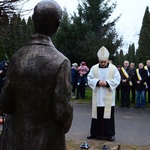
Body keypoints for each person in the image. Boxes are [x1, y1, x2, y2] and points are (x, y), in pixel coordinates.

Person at [0, 1, 73, 150]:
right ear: (57, 25)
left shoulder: (16, 57)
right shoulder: (61, 62)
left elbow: (5, 103)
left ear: (33, 20)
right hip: (47, 141)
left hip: (15, 139)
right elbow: (62, 112)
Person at [87, 46, 121, 141]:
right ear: (99, 60)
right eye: (101, 62)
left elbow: (117, 79)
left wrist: (107, 83)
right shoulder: (94, 68)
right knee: (96, 116)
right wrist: (97, 82)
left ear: (107, 60)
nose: (102, 64)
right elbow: (89, 78)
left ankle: (110, 135)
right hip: (98, 96)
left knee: (108, 117)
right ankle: (94, 133)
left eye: (104, 62)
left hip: (108, 96)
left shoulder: (113, 68)